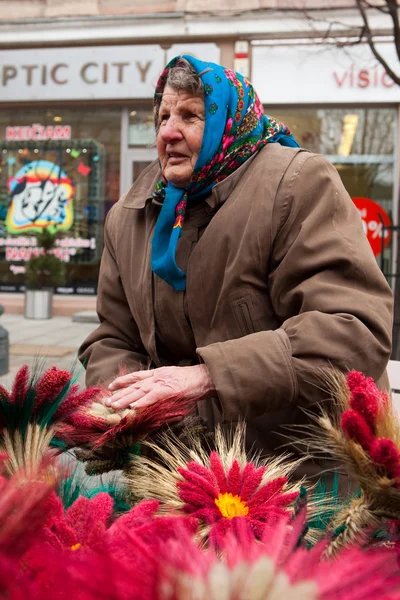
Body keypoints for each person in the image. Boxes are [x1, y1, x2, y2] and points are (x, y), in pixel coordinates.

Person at [79, 55, 393, 476]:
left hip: (293, 475)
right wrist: (122, 407)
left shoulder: (297, 185)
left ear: (230, 122)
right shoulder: (131, 214)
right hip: (176, 474)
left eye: (190, 115)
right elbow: (113, 336)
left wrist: (208, 376)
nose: (168, 131)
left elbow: (353, 331)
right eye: (163, 115)